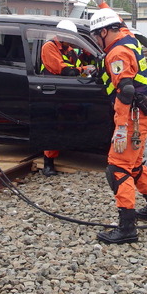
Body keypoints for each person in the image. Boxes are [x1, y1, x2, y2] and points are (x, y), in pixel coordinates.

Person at [89, 4, 147, 244]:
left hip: (131, 117)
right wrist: (103, 5)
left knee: (118, 167)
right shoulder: (129, 39)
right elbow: (119, 21)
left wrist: (121, 129)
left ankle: (127, 228)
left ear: (104, 31)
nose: (95, 39)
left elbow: (126, 91)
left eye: (95, 34)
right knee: (133, 165)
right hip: (141, 114)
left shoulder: (116, 54)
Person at [39, 19, 96, 176]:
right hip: (52, 90)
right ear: (61, 35)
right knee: (54, 126)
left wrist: (88, 55)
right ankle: (48, 164)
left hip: (67, 89)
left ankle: (70, 150)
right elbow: (64, 70)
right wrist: (84, 69)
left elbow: (78, 64)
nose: (71, 41)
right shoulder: (49, 47)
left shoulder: (69, 49)